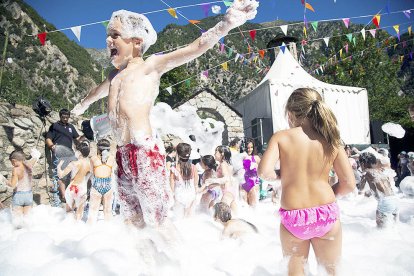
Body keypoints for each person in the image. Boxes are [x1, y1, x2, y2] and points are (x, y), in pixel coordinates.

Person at [70, 1, 258, 228]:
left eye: (115, 35)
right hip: (122, 153)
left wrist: (226, 24)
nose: (108, 40)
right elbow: (96, 93)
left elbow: (195, 47)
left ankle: (175, 260)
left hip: (145, 151)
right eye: (108, 34)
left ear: (137, 42)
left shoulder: (151, 66)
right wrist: (81, 104)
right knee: (132, 221)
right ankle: (145, 262)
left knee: (158, 220)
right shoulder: (113, 76)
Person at [258, 88, 355, 275]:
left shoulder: (281, 137)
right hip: (325, 214)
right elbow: (349, 184)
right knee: (331, 272)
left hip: (294, 218)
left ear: (291, 112)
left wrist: (282, 175)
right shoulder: (331, 140)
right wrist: (327, 197)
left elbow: (263, 172)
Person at [46, 109, 83, 205]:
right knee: (61, 175)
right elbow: (48, 139)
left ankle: (70, 193)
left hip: (70, 154)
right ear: (60, 116)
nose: (65, 119)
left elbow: (77, 138)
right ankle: (63, 196)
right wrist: (52, 146)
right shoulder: (54, 126)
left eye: (67, 117)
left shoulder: (71, 127)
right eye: (63, 117)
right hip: (59, 153)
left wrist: (85, 138)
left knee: (71, 175)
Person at [358, 152, 399, 228]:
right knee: (394, 227)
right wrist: (370, 192)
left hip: (384, 202)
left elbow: (360, 189)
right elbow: (381, 187)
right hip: (395, 200)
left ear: (363, 163)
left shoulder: (366, 173)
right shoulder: (381, 171)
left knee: (381, 230)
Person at [57, 140, 91, 221]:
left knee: (69, 211)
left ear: (79, 152)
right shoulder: (90, 164)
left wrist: (59, 166)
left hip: (72, 188)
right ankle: (78, 230)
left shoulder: (75, 163)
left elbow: (61, 175)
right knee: (79, 214)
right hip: (83, 189)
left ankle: (69, 229)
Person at [7, 149, 41, 227]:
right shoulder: (29, 165)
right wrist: (35, 154)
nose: (12, 164)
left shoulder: (15, 169)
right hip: (28, 195)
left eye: (12, 163)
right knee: (27, 220)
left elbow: (13, 185)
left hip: (19, 196)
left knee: (18, 222)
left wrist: (6, 181)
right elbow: (36, 157)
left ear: (14, 160)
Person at [87, 139, 115, 224]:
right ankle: (109, 231)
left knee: (93, 211)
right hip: (108, 185)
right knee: (108, 211)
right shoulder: (112, 158)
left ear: (98, 148)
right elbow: (112, 172)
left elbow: (92, 172)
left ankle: (89, 230)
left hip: (97, 186)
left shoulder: (93, 159)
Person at [170, 143, 200, 217]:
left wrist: (172, 195)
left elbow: (172, 185)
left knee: (179, 218)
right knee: (189, 217)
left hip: (179, 195)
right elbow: (196, 182)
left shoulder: (174, 168)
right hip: (191, 195)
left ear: (178, 154)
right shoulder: (193, 167)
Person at [241, 138, 261, 207]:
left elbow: (262, 171)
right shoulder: (241, 158)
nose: (250, 149)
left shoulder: (256, 158)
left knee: (254, 207)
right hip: (244, 183)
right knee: (245, 207)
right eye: (248, 148)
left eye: (251, 147)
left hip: (254, 183)